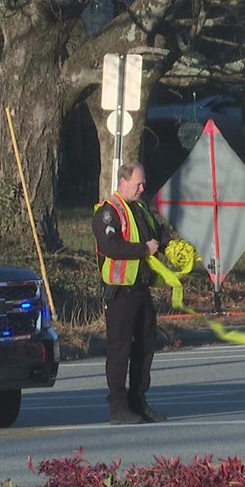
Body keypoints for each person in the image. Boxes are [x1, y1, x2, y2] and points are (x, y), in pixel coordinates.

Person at [92, 161, 170, 424]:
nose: (142, 188)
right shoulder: (108, 213)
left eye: (143, 183)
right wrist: (143, 250)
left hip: (140, 290)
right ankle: (118, 407)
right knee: (120, 349)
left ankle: (139, 401)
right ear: (123, 181)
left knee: (145, 347)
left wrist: (176, 249)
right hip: (119, 293)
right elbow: (110, 247)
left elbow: (158, 236)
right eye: (138, 183)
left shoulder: (141, 210)